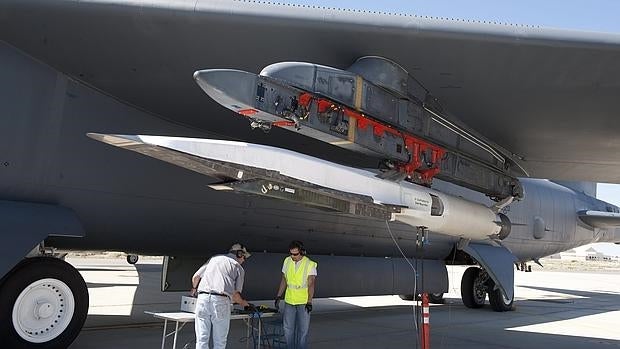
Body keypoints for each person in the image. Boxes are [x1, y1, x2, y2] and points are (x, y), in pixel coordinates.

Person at [190, 243, 253, 349]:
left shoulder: (214, 259)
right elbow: (235, 296)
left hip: (202, 299)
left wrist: (194, 289)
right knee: (220, 342)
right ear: (239, 254)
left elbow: (195, 277)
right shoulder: (238, 267)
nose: (244, 260)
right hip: (220, 301)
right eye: (244, 257)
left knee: (201, 340)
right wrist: (245, 304)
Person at [274, 240, 317, 349]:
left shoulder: (310, 264)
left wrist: (309, 301)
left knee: (303, 330)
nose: (293, 256)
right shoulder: (287, 261)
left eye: (295, 254)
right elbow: (284, 280)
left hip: (303, 302)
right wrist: (279, 295)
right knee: (288, 329)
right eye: (291, 253)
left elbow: (311, 284)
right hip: (289, 301)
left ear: (302, 252)